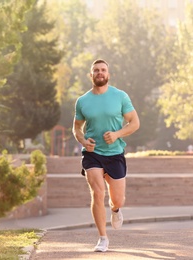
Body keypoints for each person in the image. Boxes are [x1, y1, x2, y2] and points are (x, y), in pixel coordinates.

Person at [72, 59, 140, 252]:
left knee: (118, 199)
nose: (100, 73)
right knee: (98, 192)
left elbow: (134, 122)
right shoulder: (83, 101)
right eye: (96, 70)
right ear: (91, 75)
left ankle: (115, 209)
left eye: (103, 70)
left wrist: (117, 134)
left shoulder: (120, 96)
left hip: (115, 153)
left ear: (108, 74)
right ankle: (103, 238)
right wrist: (84, 141)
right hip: (92, 154)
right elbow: (76, 127)